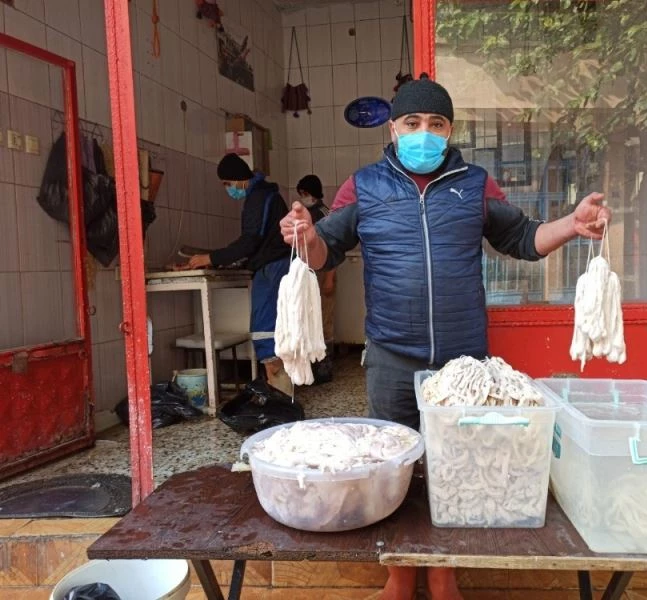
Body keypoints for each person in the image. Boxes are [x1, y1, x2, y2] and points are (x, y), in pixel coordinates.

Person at [280, 75, 611, 600]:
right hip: (391, 356)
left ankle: (443, 580)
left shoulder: (474, 184)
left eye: (436, 124)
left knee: (458, 469)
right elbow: (325, 254)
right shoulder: (363, 186)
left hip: (462, 365)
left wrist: (572, 223)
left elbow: (523, 238)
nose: (424, 133)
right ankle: (398, 580)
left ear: (449, 130)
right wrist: (306, 236)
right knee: (393, 472)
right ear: (393, 129)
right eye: (412, 122)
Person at [184, 153, 292, 394]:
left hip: (272, 267)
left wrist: (211, 258)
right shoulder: (267, 194)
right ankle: (281, 392)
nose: (228, 189)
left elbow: (250, 241)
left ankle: (280, 396)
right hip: (279, 264)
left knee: (265, 329)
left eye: (227, 183)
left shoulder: (258, 197)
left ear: (238, 178)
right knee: (277, 327)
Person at [296, 175, 336, 352]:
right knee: (311, 315)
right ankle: (315, 355)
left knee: (324, 316)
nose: (303, 197)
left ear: (314, 193)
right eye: (301, 194)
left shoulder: (323, 214)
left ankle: (325, 358)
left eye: (305, 193)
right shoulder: (308, 214)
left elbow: (333, 247)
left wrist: (329, 278)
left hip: (324, 270)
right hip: (310, 271)